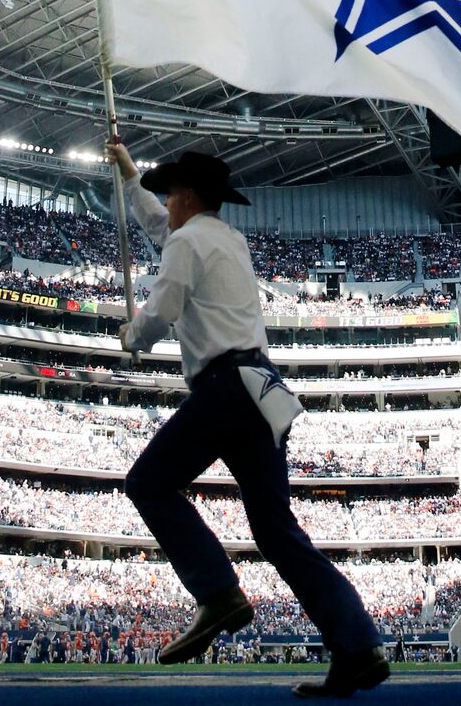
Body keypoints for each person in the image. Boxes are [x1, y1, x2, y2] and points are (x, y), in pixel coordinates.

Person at [107, 138, 388, 699]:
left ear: (185, 196)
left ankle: (217, 592)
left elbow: (160, 311)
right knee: (277, 530)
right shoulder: (224, 239)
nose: (166, 201)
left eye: (170, 193)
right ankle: (357, 646)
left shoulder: (187, 243)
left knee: (148, 483)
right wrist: (129, 174)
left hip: (223, 388)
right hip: (261, 387)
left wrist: (131, 337)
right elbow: (158, 225)